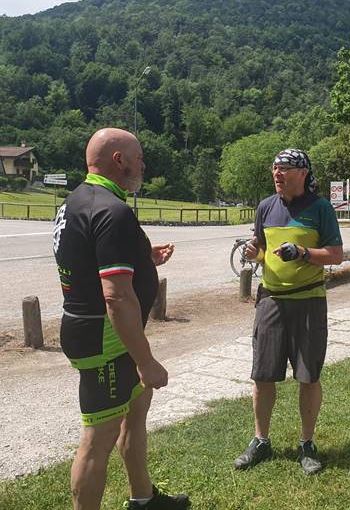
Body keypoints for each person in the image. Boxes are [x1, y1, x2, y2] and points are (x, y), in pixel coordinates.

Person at [52, 128, 190, 510]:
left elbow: (89, 259)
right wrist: (146, 361)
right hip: (105, 337)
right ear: (119, 160)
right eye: (139, 158)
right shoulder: (112, 211)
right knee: (99, 438)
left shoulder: (78, 200)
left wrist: (144, 258)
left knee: (136, 412)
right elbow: (115, 295)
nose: (143, 164)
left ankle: (143, 499)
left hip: (102, 331)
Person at [233, 149, 343, 475]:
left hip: (308, 300)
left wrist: (304, 252)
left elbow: (336, 254)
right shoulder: (266, 207)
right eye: (275, 169)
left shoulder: (321, 208)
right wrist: (255, 253)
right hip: (270, 301)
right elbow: (261, 251)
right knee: (262, 374)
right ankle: (260, 441)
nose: (277, 174)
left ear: (303, 173)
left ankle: (306, 443)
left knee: (308, 376)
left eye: (284, 169)